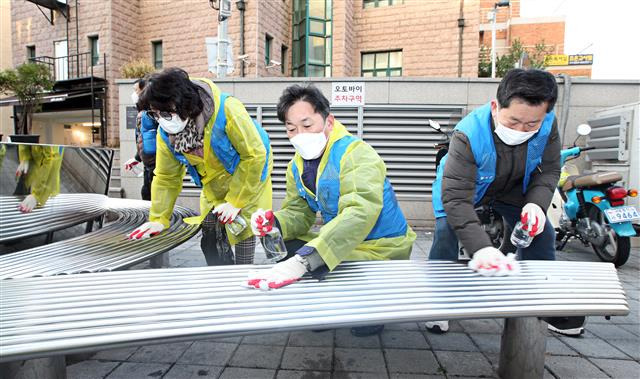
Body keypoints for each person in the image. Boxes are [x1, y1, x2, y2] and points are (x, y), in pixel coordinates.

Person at [247, 85, 416, 337]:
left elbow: (360, 210)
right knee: (284, 243)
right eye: (291, 129)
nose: (299, 135)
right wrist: (275, 223)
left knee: (311, 261)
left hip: (381, 246)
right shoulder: (296, 166)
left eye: (307, 124)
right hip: (345, 243)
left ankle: (370, 308)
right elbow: (299, 212)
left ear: (328, 121)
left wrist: (305, 260)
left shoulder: (356, 153)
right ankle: (323, 303)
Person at [428, 68, 584, 336]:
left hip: (514, 186)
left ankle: (541, 301)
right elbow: (456, 199)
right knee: (446, 230)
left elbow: (549, 169)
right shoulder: (468, 133)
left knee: (542, 232)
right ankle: (438, 302)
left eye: (531, 124)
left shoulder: (548, 123)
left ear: (544, 115)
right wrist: (481, 248)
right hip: (467, 185)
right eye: (513, 122)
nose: (522, 129)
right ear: (495, 106)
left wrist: (536, 203)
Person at [128, 68, 273, 267]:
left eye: (164, 113)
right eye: (154, 115)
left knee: (242, 228)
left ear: (183, 104)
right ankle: (221, 275)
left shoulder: (227, 110)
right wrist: (159, 218)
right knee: (210, 228)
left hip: (249, 175)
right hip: (213, 183)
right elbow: (166, 177)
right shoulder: (166, 134)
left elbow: (254, 155)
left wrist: (236, 201)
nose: (161, 120)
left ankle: (243, 272)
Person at [124, 78, 157, 201]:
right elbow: (144, 140)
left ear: (144, 91)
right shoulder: (144, 112)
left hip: (155, 167)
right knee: (147, 195)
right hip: (149, 165)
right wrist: (137, 158)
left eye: (135, 90)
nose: (134, 94)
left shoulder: (152, 112)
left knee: (152, 199)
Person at [15, 144, 64, 212]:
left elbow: (53, 159)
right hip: (29, 177)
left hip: (45, 188)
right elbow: (25, 139)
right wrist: (25, 157)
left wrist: (37, 195)